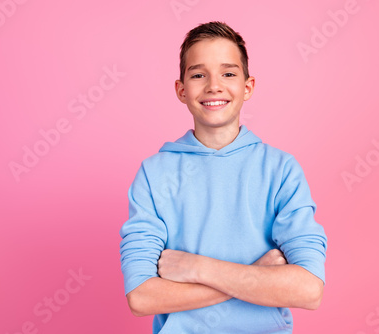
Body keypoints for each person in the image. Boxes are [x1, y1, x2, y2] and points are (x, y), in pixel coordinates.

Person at [119, 21, 327, 333]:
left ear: (248, 87)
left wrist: (196, 268)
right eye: (198, 74)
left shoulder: (281, 169)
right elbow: (142, 297)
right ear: (181, 89)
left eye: (228, 73)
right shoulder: (154, 174)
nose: (214, 85)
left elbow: (308, 289)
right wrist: (254, 275)